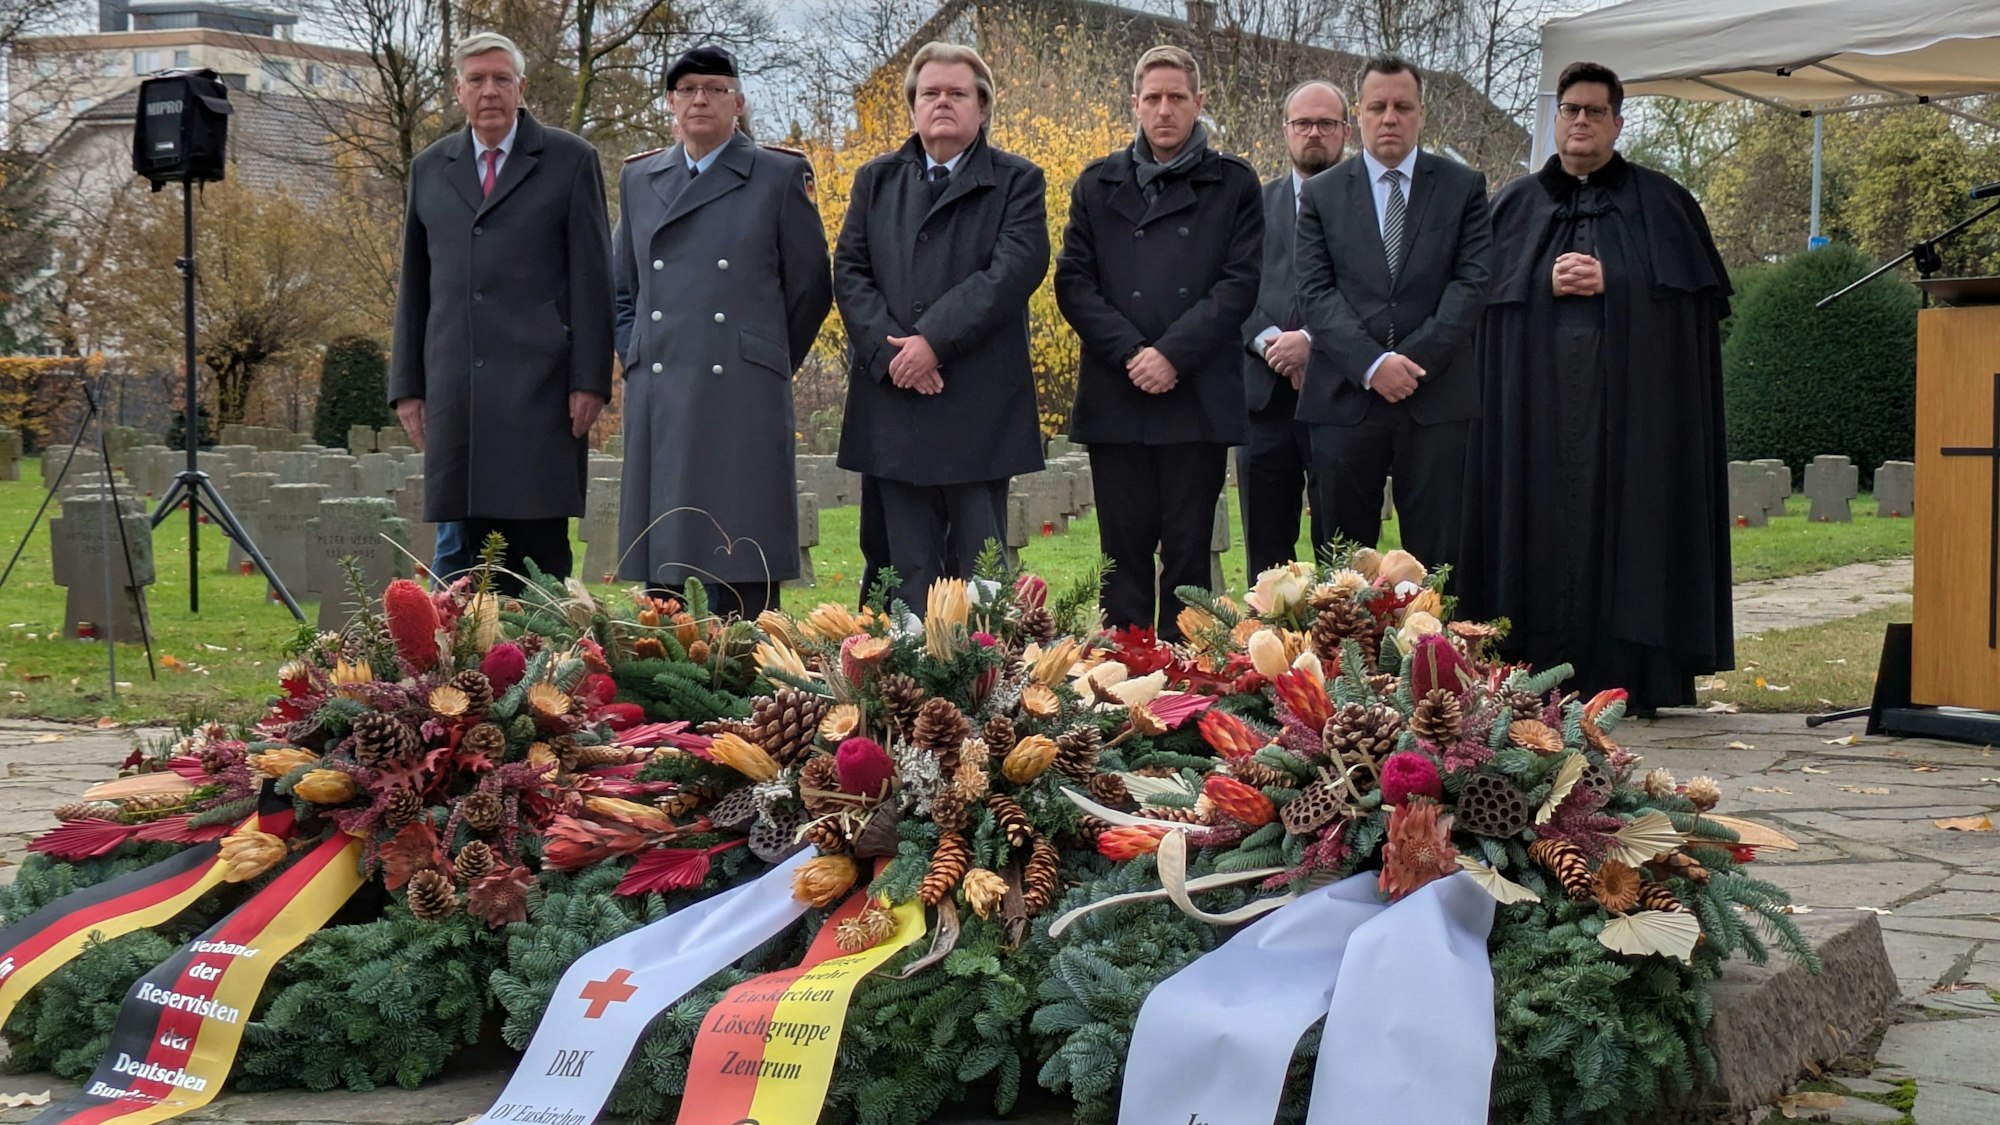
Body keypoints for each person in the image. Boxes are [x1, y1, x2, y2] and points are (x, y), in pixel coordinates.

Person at [1459, 61, 1734, 714]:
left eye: (1594, 111)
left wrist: (1621, 282)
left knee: (1631, 526)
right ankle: (1522, 676)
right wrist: (1535, 284)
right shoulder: (1514, 206)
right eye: (1570, 110)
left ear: (1617, 120)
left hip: (1630, 423)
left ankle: (1632, 675)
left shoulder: (1663, 202)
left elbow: (1697, 313)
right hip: (1533, 421)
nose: (1581, 121)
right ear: (1554, 121)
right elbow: (1476, 313)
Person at [612, 46, 833, 621]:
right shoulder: (639, 178)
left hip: (743, 394)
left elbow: (811, 287)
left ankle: (750, 695)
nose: (700, 100)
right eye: (687, 90)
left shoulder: (780, 174)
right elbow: (622, 289)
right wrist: (637, 353)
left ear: (738, 102)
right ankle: (660, 695)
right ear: (670, 104)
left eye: (713, 89)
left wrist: (765, 357)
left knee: (743, 565)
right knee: (660, 575)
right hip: (660, 390)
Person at [390, 31, 612, 594]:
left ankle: (545, 677)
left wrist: (591, 379)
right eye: (476, 80)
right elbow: (415, 286)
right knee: (461, 572)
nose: (489, 91)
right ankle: (457, 679)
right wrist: (407, 387)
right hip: (457, 393)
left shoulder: (569, 161)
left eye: (501, 78)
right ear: (458, 90)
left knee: (537, 563)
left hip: (541, 393)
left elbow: (593, 281)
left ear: (522, 87)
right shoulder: (430, 168)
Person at [1055, 45, 1262, 643]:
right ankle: (1121, 679)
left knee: (1189, 558)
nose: (1165, 110)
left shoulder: (1234, 183)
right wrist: (1132, 352)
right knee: (1121, 556)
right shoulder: (1098, 184)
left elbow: (1239, 283)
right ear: (1135, 105)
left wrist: (1172, 353)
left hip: (1194, 394)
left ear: (1199, 103)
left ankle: (1187, 683)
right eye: (1153, 98)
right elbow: (1075, 281)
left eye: (1177, 98)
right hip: (1119, 393)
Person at [835, 41, 1050, 614]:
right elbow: (851, 272)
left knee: (978, 577)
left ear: (982, 107)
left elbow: (1012, 272)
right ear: (912, 106)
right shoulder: (876, 180)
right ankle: (895, 684)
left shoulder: (1018, 182)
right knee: (900, 569)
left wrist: (933, 343)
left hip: (976, 406)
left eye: (958, 93)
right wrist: (892, 355)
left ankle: (979, 686)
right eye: (930, 93)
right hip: (893, 403)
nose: (943, 103)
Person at [1294, 55, 1490, 573]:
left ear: (1421, 113)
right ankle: (1345, 658)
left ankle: (1435, 655)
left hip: (1436, 399)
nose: (1390, 117)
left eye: (1402, 107)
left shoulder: (1463, 188)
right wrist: (1373, 364)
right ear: (1357, 113)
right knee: (1341, 569)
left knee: (1440, 563)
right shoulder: (1321, 194)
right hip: (1344, 398)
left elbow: (1471, 286)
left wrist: (1409, 360)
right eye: (1377, 106)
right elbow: (1314, 292)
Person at [1239, 79, 1347, 574]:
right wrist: (1271, 344)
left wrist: (1312, 341)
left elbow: (1378, 295)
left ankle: (1341, 652)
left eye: (1326, 123)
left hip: (1341, 397)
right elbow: (1229, 287)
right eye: (1303, 123)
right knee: (1267, 557)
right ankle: (1266, 650)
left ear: (1346, 131)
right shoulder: (1251, 206)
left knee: (1341, 552)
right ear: (1285, 131)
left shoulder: (1369, 209)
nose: (1314, 133)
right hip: (1264, 402)